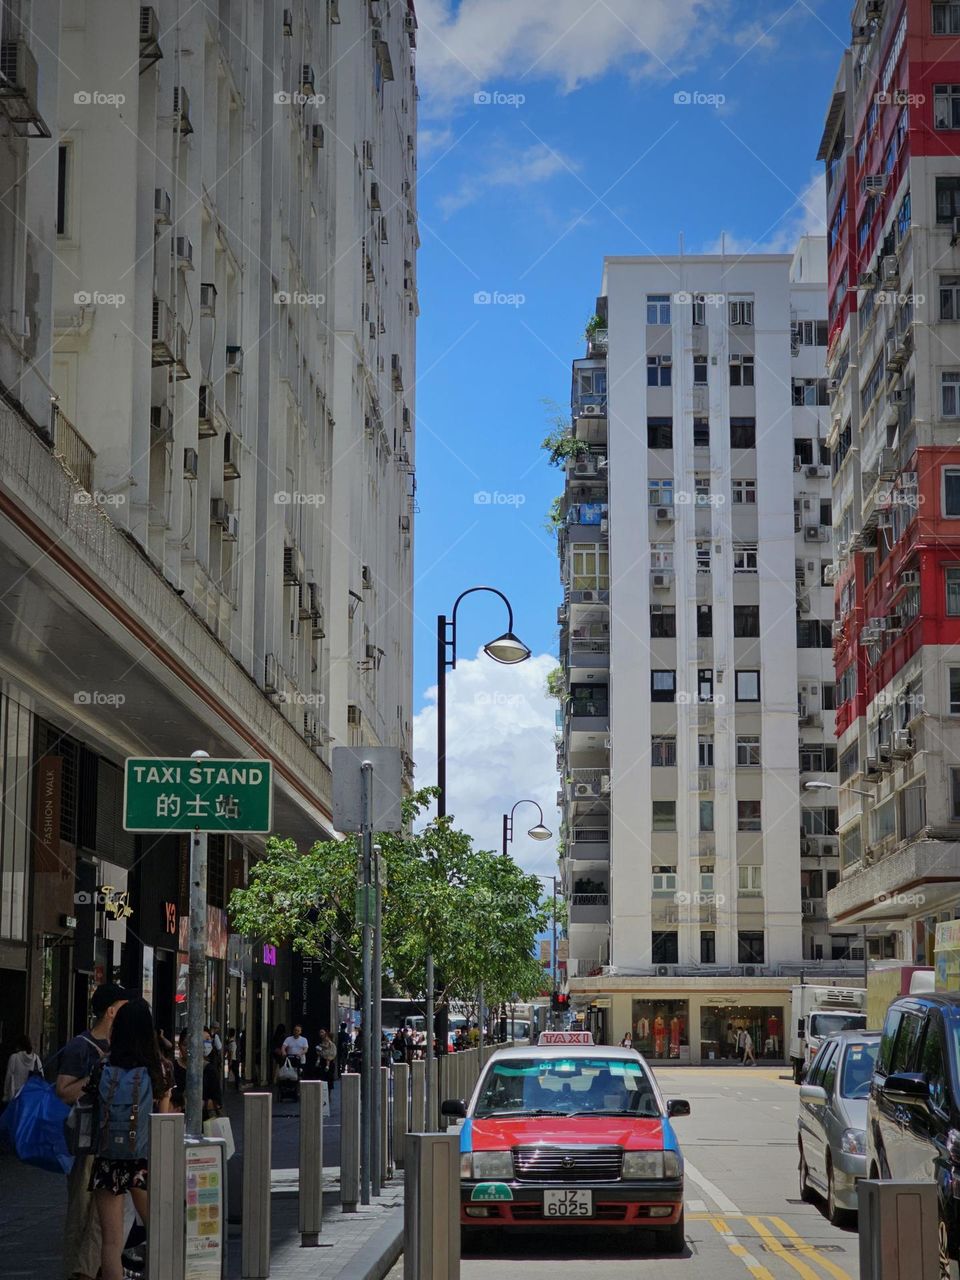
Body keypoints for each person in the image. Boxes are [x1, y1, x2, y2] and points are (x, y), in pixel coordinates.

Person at [89, 999, 171, 1280]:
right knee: (157, 1231)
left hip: (108, 1157)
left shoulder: (102, 1066)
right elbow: (164, 1119)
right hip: (143, 1160)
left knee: (111, 1242)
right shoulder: (159, 1069)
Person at [56, 983, 130, 1280]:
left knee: (105, 1221)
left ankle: (91, 1271)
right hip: (86, 1144)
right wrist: (97, 1077)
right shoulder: (80, 1047)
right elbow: (63, 1090)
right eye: (124, 1007)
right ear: (111, 1012)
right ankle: (76, 1272)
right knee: (81, 1213)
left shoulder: (122, 1047)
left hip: (112, 1142)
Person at [2, 1033, 42, 1102]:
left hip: (15, 1094)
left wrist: (5, 1094)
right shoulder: (36, 1058)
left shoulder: (14, 1057)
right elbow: (41, 1076)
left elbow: (8, 1076)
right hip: (30, 1094)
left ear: (18, 1046)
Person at [317, 1029, 338, 1093]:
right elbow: (319, 1052)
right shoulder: (321, 1044)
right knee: (322, 1078)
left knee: (329, 1079)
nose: (326, 1039)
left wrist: (327, 1057)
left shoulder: (332, 1045)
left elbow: (333, 1054)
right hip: (322, 1062)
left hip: (330, 1062)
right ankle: (322, 1092)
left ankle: (328, 1093)